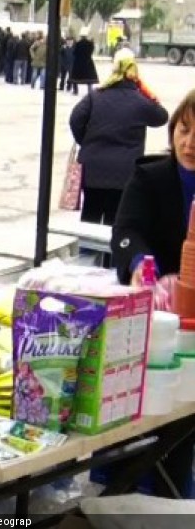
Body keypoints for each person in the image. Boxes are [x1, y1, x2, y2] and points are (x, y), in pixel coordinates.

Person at [110, 90, 195, 498]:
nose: (190, 142)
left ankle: (171, 497)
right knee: (138, 416)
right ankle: (116, 496)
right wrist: (142, 265)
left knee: (181, 422)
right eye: (184, 129)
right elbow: (125, 232)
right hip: (152, 319)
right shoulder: (149, 176)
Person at [70, 56, 169, 226]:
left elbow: (75, 119)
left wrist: (85, 142)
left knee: (90, 215)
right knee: (114, 220)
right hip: (124, 172)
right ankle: (109, 253)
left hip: (93, 167)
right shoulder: (140, 102)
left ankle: (86, 251)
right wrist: (146, 92)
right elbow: (161, 117)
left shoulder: (95, 96)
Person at [70, 30, 99, 95]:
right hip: (88, 62)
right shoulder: (90, 44)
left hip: (78, 62)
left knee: (75, 78)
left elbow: (74, 53)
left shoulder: (77, 44)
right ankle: (90, 91)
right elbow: (91, 51)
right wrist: (92, 43)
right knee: (89, 78)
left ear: (81, 36)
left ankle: (75, 91)